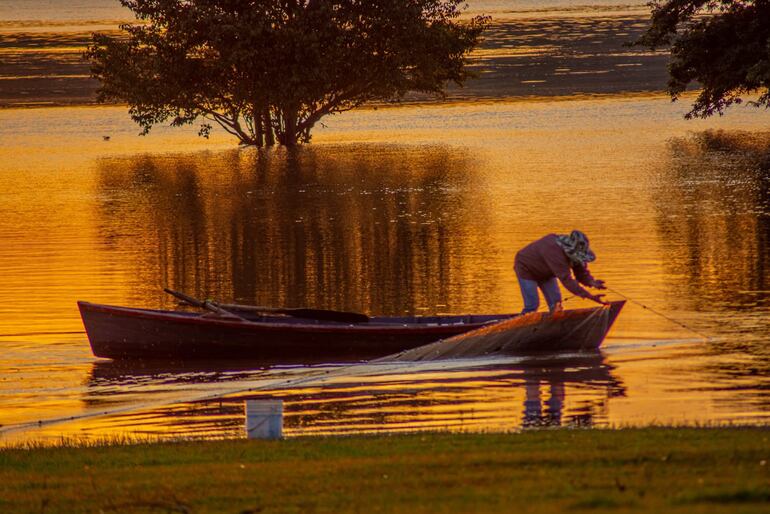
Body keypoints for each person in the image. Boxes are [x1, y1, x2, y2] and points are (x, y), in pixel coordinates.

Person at [514, 230, 607, 314]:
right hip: (526, 268)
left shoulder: (575, 253)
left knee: (556, 303)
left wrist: (592, 282)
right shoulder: (553, 251)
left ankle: (552, 328)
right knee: (532, 305)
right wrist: (589, 296)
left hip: (547, 272)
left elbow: (581, 273)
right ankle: (519, 328)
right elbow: (566, 280)